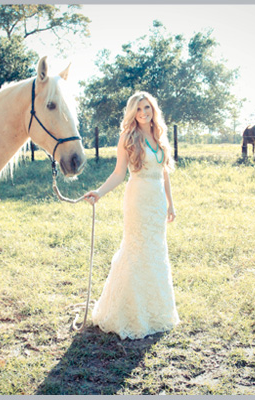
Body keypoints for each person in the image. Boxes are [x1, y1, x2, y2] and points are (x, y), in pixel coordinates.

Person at [83, 91, 180, 340]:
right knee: (136, 250)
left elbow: (164, 173)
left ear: (153, 109)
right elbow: (118, 174)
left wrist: (170, 204)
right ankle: (127, 312)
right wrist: (100, 193)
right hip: (137, 199)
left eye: (147, 107)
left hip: (157, 201)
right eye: (138, 109)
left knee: (156, 251)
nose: (143, 112)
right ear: (132, 113)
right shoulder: (128, 137)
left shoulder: (159, 135)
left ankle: (155, 311)